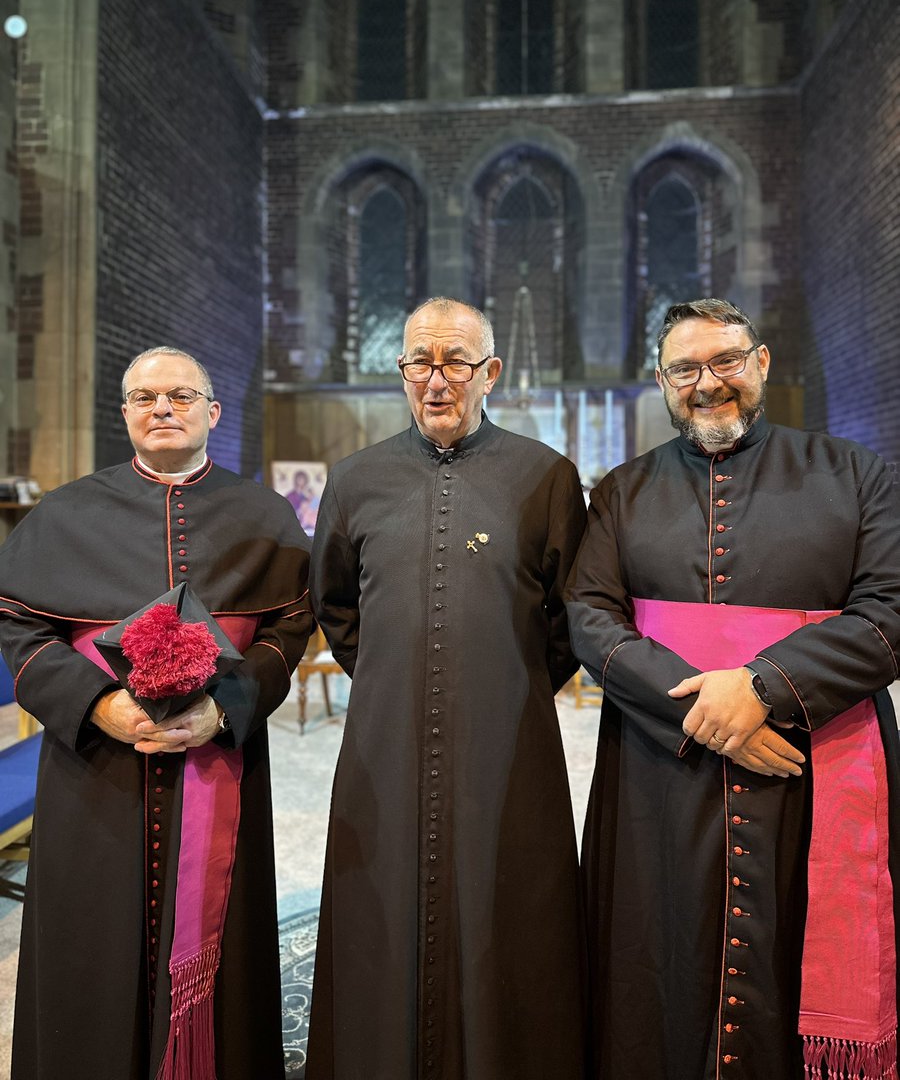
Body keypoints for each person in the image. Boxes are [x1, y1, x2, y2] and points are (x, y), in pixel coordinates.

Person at [566, 298, 900, 1080]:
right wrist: (713, 712)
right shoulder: (621, 491)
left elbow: (889, 612)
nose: (708, 383)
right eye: (685, 369)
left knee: (794, 949)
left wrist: (762, 687)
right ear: (661, 380)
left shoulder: (854, 474)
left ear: (761, 364)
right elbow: (588, 618)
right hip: (663, 761)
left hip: (814, 761)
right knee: (661, 959)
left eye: (725, 362)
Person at [0, 346, 312, 1080]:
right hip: (95, 769)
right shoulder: (66, 513)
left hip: (220, 760)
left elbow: (288, 630)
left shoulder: (263, 517)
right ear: (124, 415)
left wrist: (224, 710)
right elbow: (17, 626)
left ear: (213, 411)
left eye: (178, 395)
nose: (161, 409)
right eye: (144, 398)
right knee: (92, 944)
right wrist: (94, 704)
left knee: (223, 955)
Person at [307, 297, 589, 1080]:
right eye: (418, 363)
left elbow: (574, 613)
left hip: (508, 735)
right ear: (401, 373)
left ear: (489, 372)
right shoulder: (355, 479)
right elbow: (334, 603)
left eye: (454, 362)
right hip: (384, 741)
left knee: (510, 904)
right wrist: (399, 676)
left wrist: (508, 680)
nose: (435, 381)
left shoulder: (547, 476)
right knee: (381, 907)